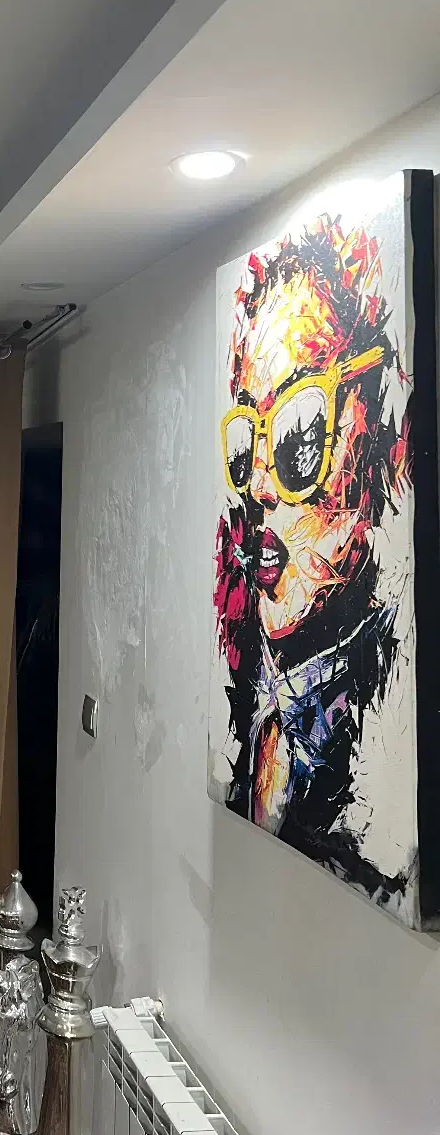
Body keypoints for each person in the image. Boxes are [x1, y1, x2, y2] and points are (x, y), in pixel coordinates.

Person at [212, 213, 412, 904]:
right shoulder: (250, 701)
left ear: (375, 424)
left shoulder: (384, 813)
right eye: (248, 440)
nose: (260, 487)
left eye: (300, 430)